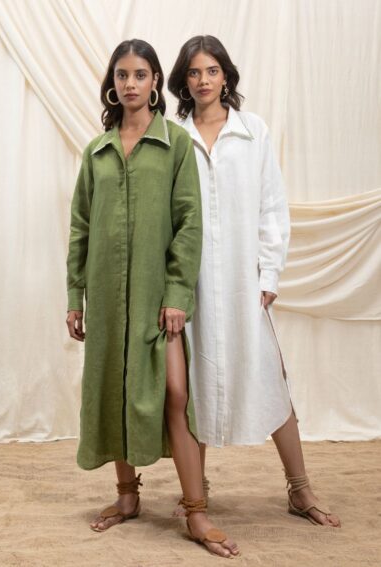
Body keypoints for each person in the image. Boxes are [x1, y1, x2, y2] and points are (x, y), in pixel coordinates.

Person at [66, 38, 239, 557]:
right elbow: (80, 228)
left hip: (156, 298)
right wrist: (75, 297)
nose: (130, 84)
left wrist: (177, 293)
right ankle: (127, 496)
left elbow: (189, 224)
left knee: (176, 396)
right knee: (114, 388)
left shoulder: (175, 144)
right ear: (112, 84)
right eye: (122, 75)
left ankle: (196, 511)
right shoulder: (96, 151)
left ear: (156, 82)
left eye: (140, 75)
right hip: (104, 295)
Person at [168, 35, 341, 528]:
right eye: (194, 72)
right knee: (193, 384)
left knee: (269, 376)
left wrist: (269, 272)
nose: (203, 80)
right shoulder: (175, 137)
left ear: (226, 76)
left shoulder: (253, 131)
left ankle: (300, 489)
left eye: (212, 71)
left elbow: (272, 206)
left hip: (244, 278)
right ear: (183, 80)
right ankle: (196, 492)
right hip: (192, 281)